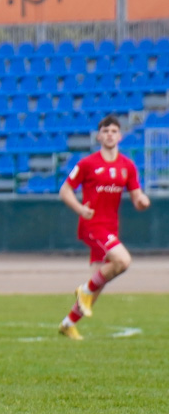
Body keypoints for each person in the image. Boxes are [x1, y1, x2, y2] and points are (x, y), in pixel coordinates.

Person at [57, 115, 150, 340]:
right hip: (92, 224)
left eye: (113, 131)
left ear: (120, 136)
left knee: (100, 280)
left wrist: (142, 201)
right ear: (99, 136)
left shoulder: (127, 166)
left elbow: (137, 195)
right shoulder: (87, 164)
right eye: (105, 131)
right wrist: (80, 209)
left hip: (110, 227)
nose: (109, 134)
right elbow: (65, 190)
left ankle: (68, 323)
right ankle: (85, 290)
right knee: (123, 261)